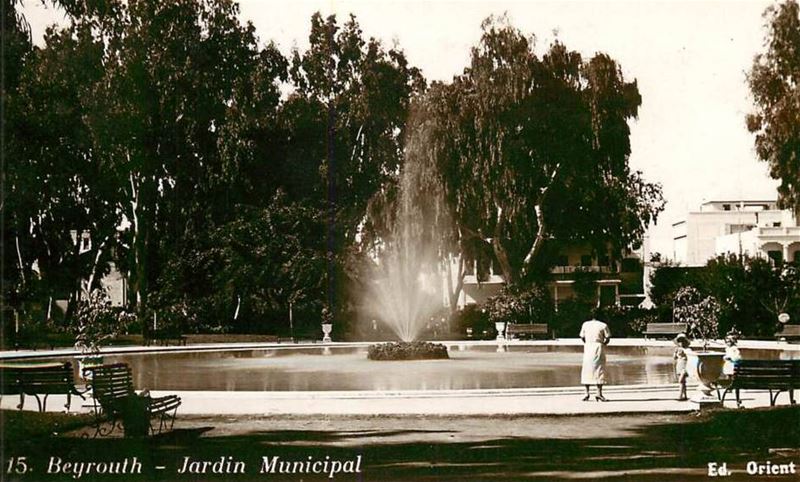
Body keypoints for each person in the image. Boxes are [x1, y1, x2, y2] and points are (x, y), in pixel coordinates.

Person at [579, 311, 611, 401]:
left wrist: (587, 342)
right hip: (598, 347)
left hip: (588, 347)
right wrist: (603, 344)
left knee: (587, 369)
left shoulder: (585, 324)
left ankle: (586, 393)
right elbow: (608, 338)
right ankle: (599, 393)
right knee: (599, 369)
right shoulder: (603, 325)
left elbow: (582, 336)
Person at [673, 333, 691, 401]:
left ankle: (680, 396)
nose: (681, 343)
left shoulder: (688, 349)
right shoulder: (677, 349)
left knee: (681, 380)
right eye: (679, 341)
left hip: (685, 365)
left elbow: (690, 356)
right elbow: (674, 358)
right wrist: (675, 353)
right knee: (683, 382)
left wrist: (684, 352)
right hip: (679, 365)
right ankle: (685, 395)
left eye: (683, 341)